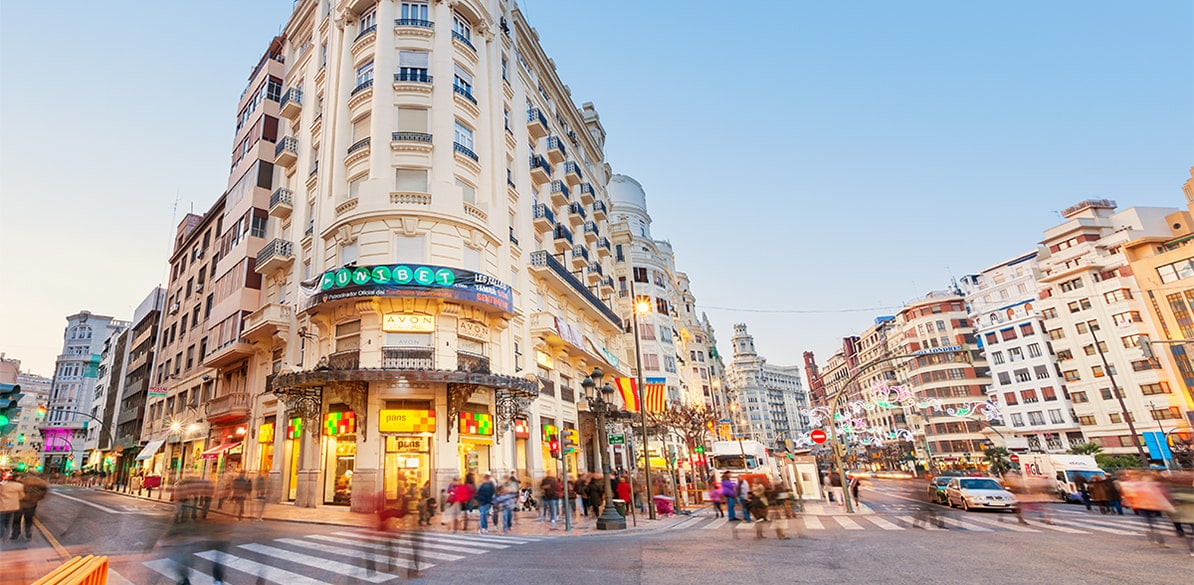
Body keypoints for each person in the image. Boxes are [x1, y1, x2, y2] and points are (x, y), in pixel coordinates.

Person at [10, 473, 46, 540]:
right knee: (28, 520)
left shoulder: (22, 481)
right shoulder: (41, 483)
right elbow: (44, 492)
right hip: (32, 504)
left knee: (17, 520)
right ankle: (28, 533)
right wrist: (38, 498)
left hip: (20, 504)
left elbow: (16, 490)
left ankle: (15, 534)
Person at [1, 472, 26, 539]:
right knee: (12, 520)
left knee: (2, 520)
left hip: (3, 505)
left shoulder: (3, 485)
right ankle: (11, 533)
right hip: (14, 506)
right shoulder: (19, 486)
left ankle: (1, 533)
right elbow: (22, 496)